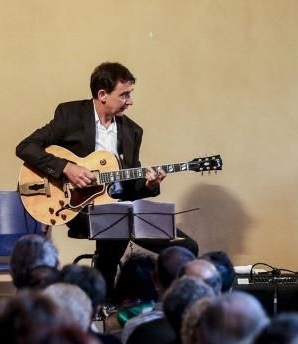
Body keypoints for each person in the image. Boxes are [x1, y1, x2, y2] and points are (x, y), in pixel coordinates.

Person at [15, 62, 198, 296]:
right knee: (116, 224)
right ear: (102, 95)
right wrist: (66, 168)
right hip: (73, 206)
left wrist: (150, 185)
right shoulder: (70, 115)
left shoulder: (132, 131)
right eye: (124, 95)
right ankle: (105, 299)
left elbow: (130, 188)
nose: (130, 101)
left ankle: (148, 302)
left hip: (115, 208)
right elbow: (26, 147)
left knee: (186, 246)